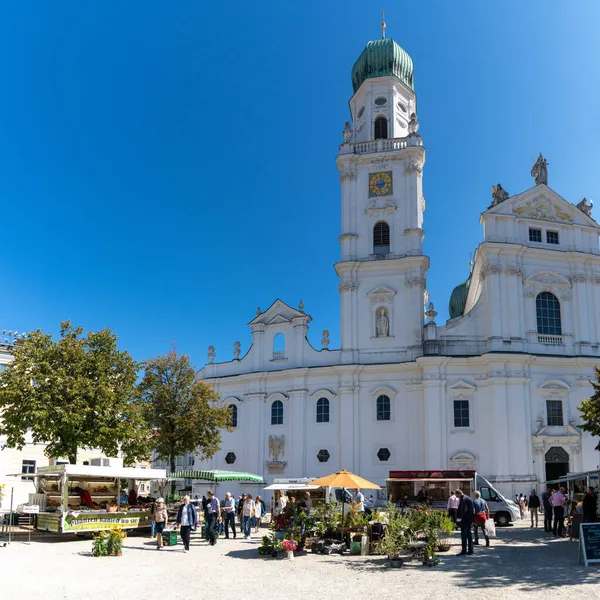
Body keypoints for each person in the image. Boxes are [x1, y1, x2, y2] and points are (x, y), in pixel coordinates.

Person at [455, 489, 474, 555]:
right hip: (469, 519)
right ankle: (470, 550)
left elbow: (463, 510)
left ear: (459, 494)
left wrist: (459, 519)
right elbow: (472, 509)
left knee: (464, 535)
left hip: (465, 520)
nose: (456, 497)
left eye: (456, 495)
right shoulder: (468, 498)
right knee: (469, 535)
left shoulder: (463, 499)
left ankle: (464, 550)